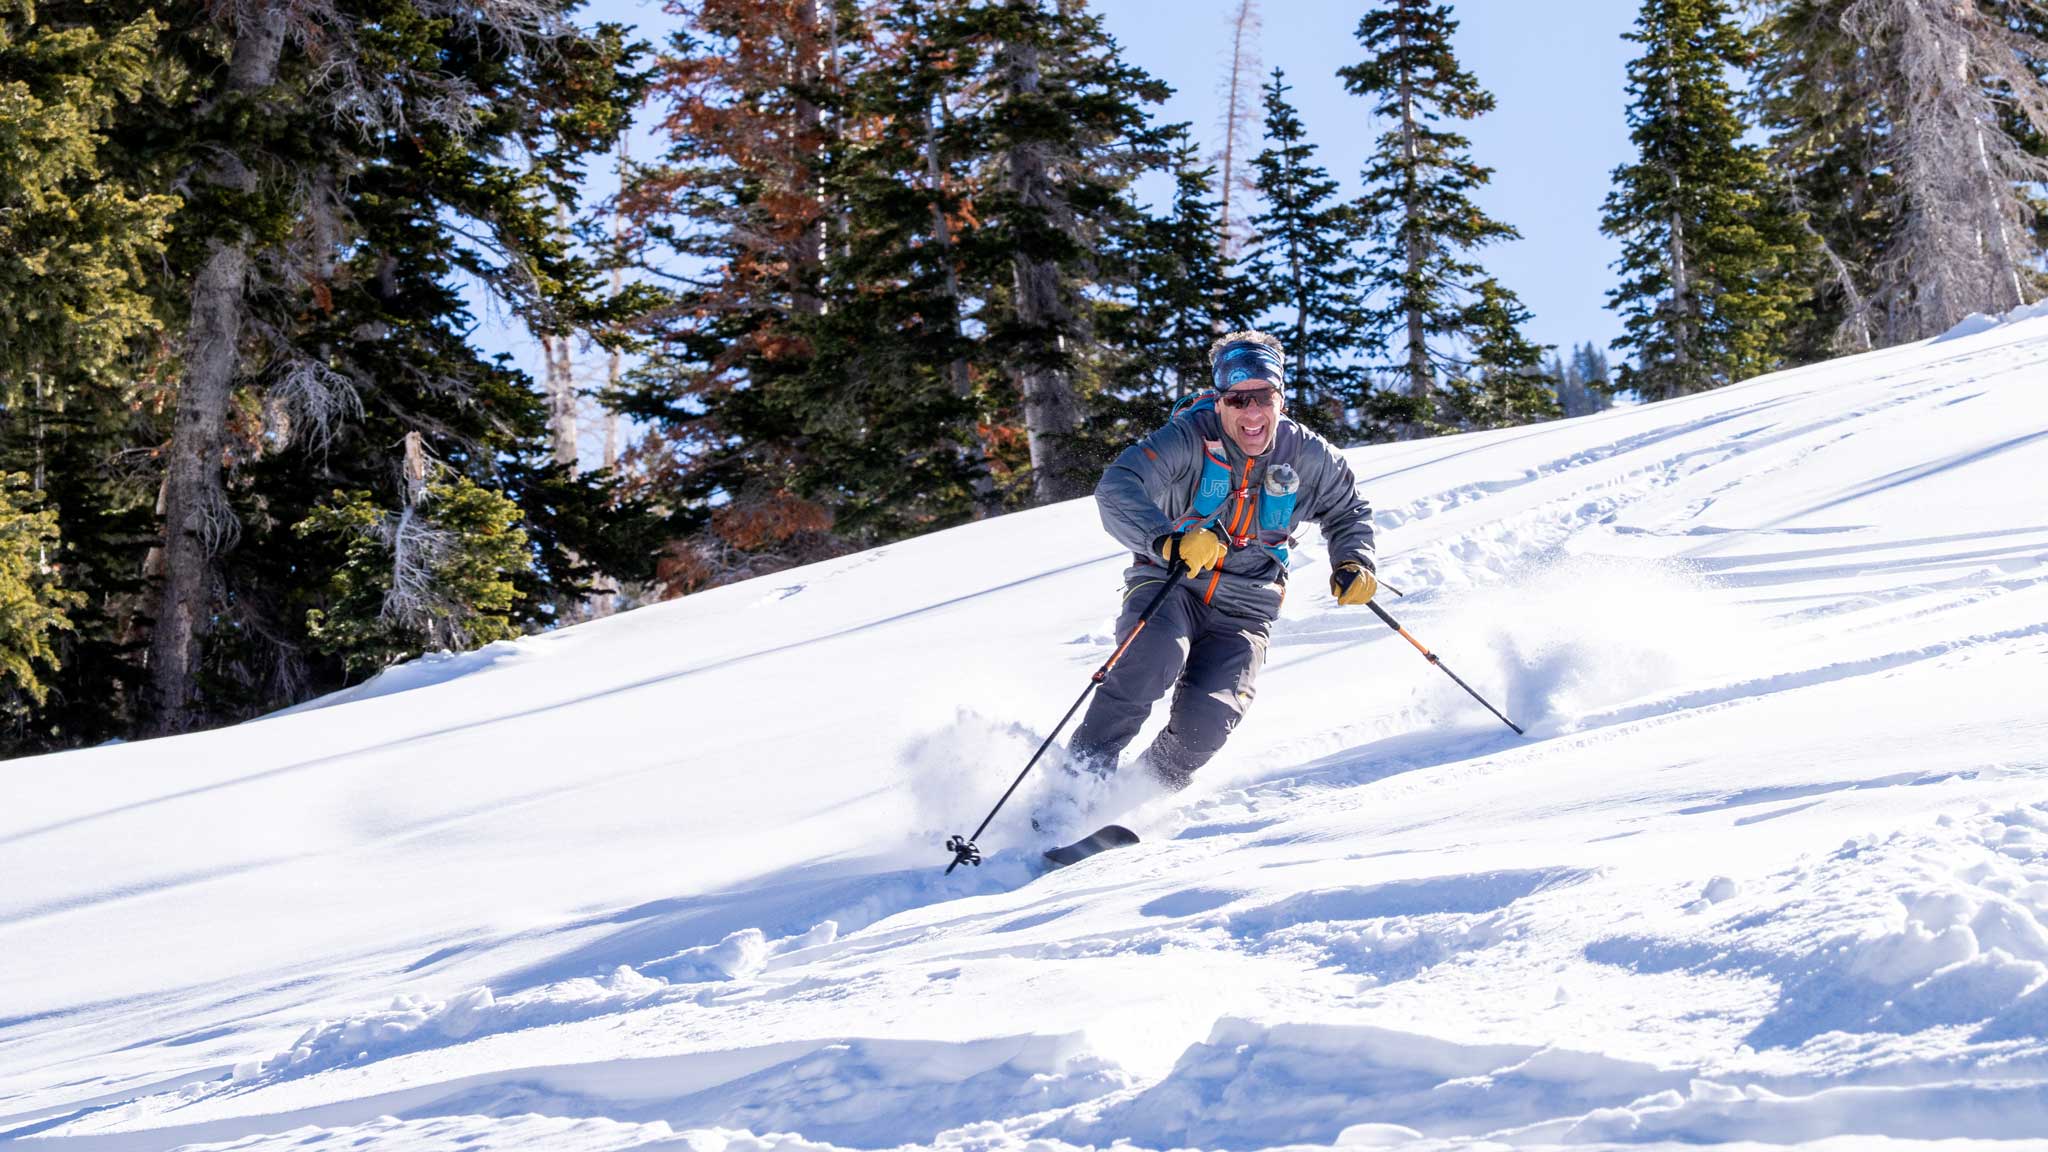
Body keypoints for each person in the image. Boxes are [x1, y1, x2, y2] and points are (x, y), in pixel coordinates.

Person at [1064, 330, 1378, 791]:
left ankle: (1136, 795)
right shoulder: (1188, 438)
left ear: (1281, 398)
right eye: (1236, 399)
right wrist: (1167, 541)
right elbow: (1117, 486)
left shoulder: (1309, 455)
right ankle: (1073, 789)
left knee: (1206, 725)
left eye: (1263, 396)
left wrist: (1354, 561)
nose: (1251, 412)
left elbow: (1348, 509)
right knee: (1149, 662)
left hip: (1247, 607)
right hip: (1170, 583)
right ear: (1218, 401)